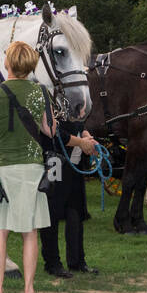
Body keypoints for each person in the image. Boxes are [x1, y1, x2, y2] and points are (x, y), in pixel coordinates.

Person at [0, 40, 53, 293]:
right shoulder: (40, 92)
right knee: (30, 231)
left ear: (7, 63)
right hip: (31, 168)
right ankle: (29, 292)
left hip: (0, 168)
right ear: (31, 65)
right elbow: (50, 131)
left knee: (0, 231)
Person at [39, 119, 99, 278]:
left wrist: (88, 138)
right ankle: (52, 263)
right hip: (55, 161)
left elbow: (78, 123)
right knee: (52, 212)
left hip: (74, 162)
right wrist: (81, 142)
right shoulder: (49, 97)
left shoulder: (70, 98)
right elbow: (53, 130)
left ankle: (77, 261)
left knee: (76, 212)